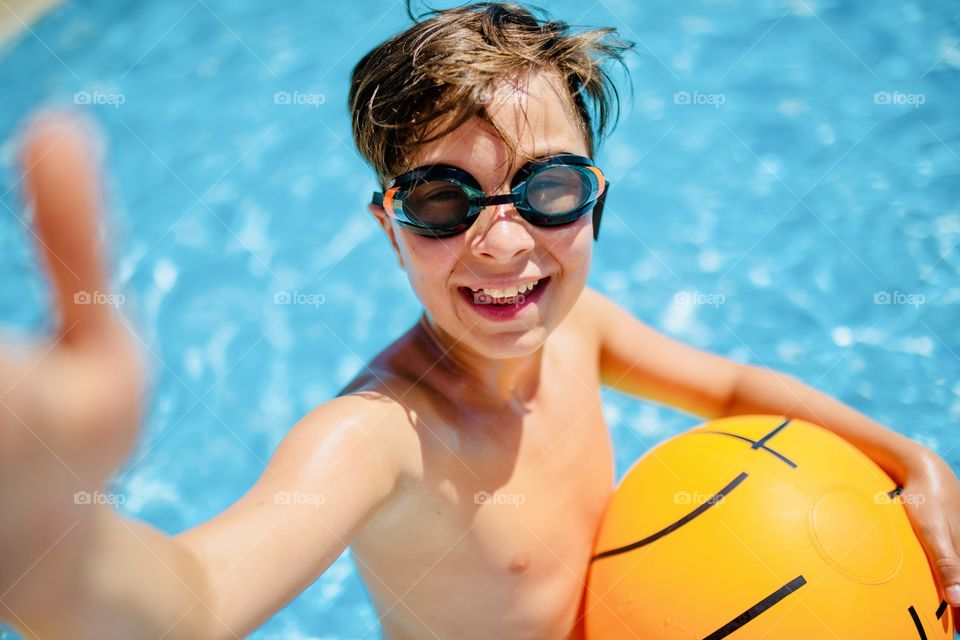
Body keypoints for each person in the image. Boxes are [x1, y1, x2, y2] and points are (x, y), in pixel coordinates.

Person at [2, 3, 959, 639]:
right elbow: (199, 598)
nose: (502, 244)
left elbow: (734, 391)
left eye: (546, 188)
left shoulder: (582, 331)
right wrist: (45, 544)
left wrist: (911, 460)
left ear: (596, 200)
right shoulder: (378, 441)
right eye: (443, 201)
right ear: (389, 225)